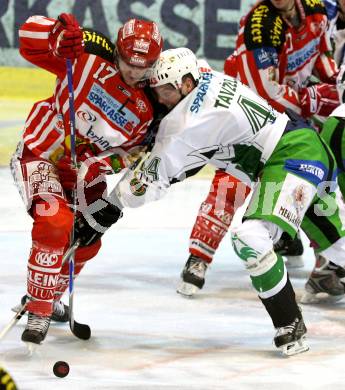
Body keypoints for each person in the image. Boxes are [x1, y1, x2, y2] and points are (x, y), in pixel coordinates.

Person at [73, 47, 345, 355]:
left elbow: (145, 184)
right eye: (156, 89)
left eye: (165, 90)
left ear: (186, 85)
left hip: (290, 156)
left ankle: (290, 323)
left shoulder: (185, 125)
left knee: (251, 238)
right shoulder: (202, 72)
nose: (160, 98)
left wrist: (103, 213)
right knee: (339, 245)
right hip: (306, 143)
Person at [11, 13, 163, 347]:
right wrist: (54, 35)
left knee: (88, 238)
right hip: (43, 153)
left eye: (144, 66)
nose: (134, 71)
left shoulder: (150, 108)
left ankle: (49, 294)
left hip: (85, 174)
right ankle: (39, 310)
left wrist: (103, 164)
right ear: (117, 52)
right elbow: (26, 37)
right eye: (128, 61)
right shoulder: (85, 56)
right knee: (54, 223)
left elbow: (129, 155)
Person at [178, 0, 345, 297]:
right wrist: (313, 100)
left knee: (312, 179)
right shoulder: (261, 26)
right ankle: (199, 256)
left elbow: (320, 53)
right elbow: (266, 90)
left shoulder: (317, 9)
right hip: (252, 112)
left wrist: (333, 83)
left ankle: (312, 254)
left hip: (292, 108)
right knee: (232, 182)